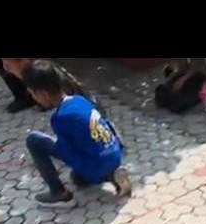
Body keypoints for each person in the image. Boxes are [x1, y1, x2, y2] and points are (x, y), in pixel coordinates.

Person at [20, 60, 130, 208]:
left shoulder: (59, 118)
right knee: (77, 179)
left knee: (33, 140)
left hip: (96, 166)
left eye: (33, 94)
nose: (34, 98)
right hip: (115, 156)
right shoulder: (80, 100)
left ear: (43, 94)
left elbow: (66, 152)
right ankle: (112, 175)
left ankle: (59, 194)